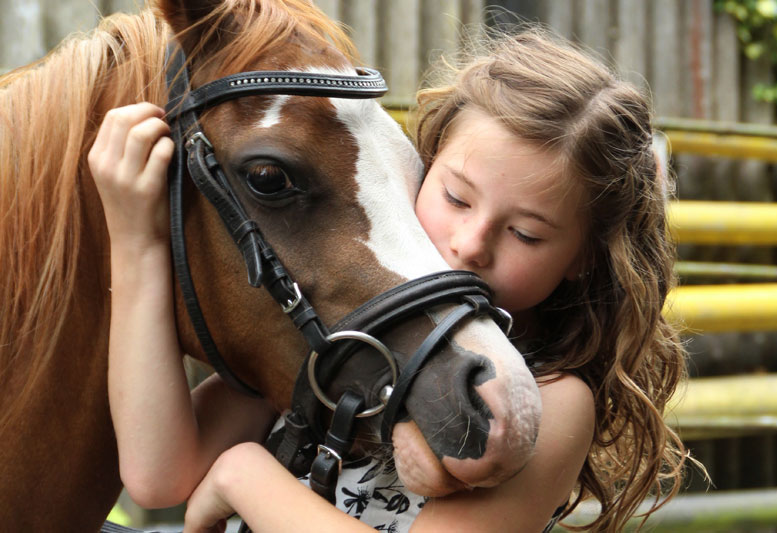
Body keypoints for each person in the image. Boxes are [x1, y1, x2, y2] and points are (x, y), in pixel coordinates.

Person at [90, 25, 692, 533]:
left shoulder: (557, 398)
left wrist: (240, 474)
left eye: (526, 234)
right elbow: (158, 471)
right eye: (456, 197)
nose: (470, 243)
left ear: (584, 256)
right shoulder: (342, 338)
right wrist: (136, 241)